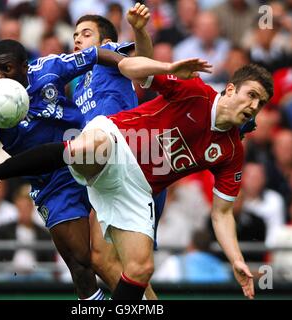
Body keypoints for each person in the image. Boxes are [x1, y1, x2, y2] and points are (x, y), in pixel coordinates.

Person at [0, 56, 273, 300]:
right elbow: (131, 67)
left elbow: (222, 213)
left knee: (141, 269)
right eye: (251, 95)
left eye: (260, 103)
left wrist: (236, 259)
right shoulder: (195, 93)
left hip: (137, 191)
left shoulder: (231, 152)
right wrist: (169, 64)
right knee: (88, 149)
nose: (254, 105)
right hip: (118, 141)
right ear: (231, 88)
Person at [0, 5, 152, 300]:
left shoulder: (48, 68)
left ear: (25, 65)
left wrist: (124, 65)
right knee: (82, 262)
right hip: (51, 184)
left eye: (7, 69)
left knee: (113, 259)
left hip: (88, 159)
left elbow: (93, 55)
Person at [72, 7, 166, 299]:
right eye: (74, 35)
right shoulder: (77, 85)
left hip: (132, 161)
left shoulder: (110, 55)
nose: (77, 39)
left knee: (118, 262)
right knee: (108, 262)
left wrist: (139, 29)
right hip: (106, 174)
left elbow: (144, 60)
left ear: (105, 41)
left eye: (86, 34)